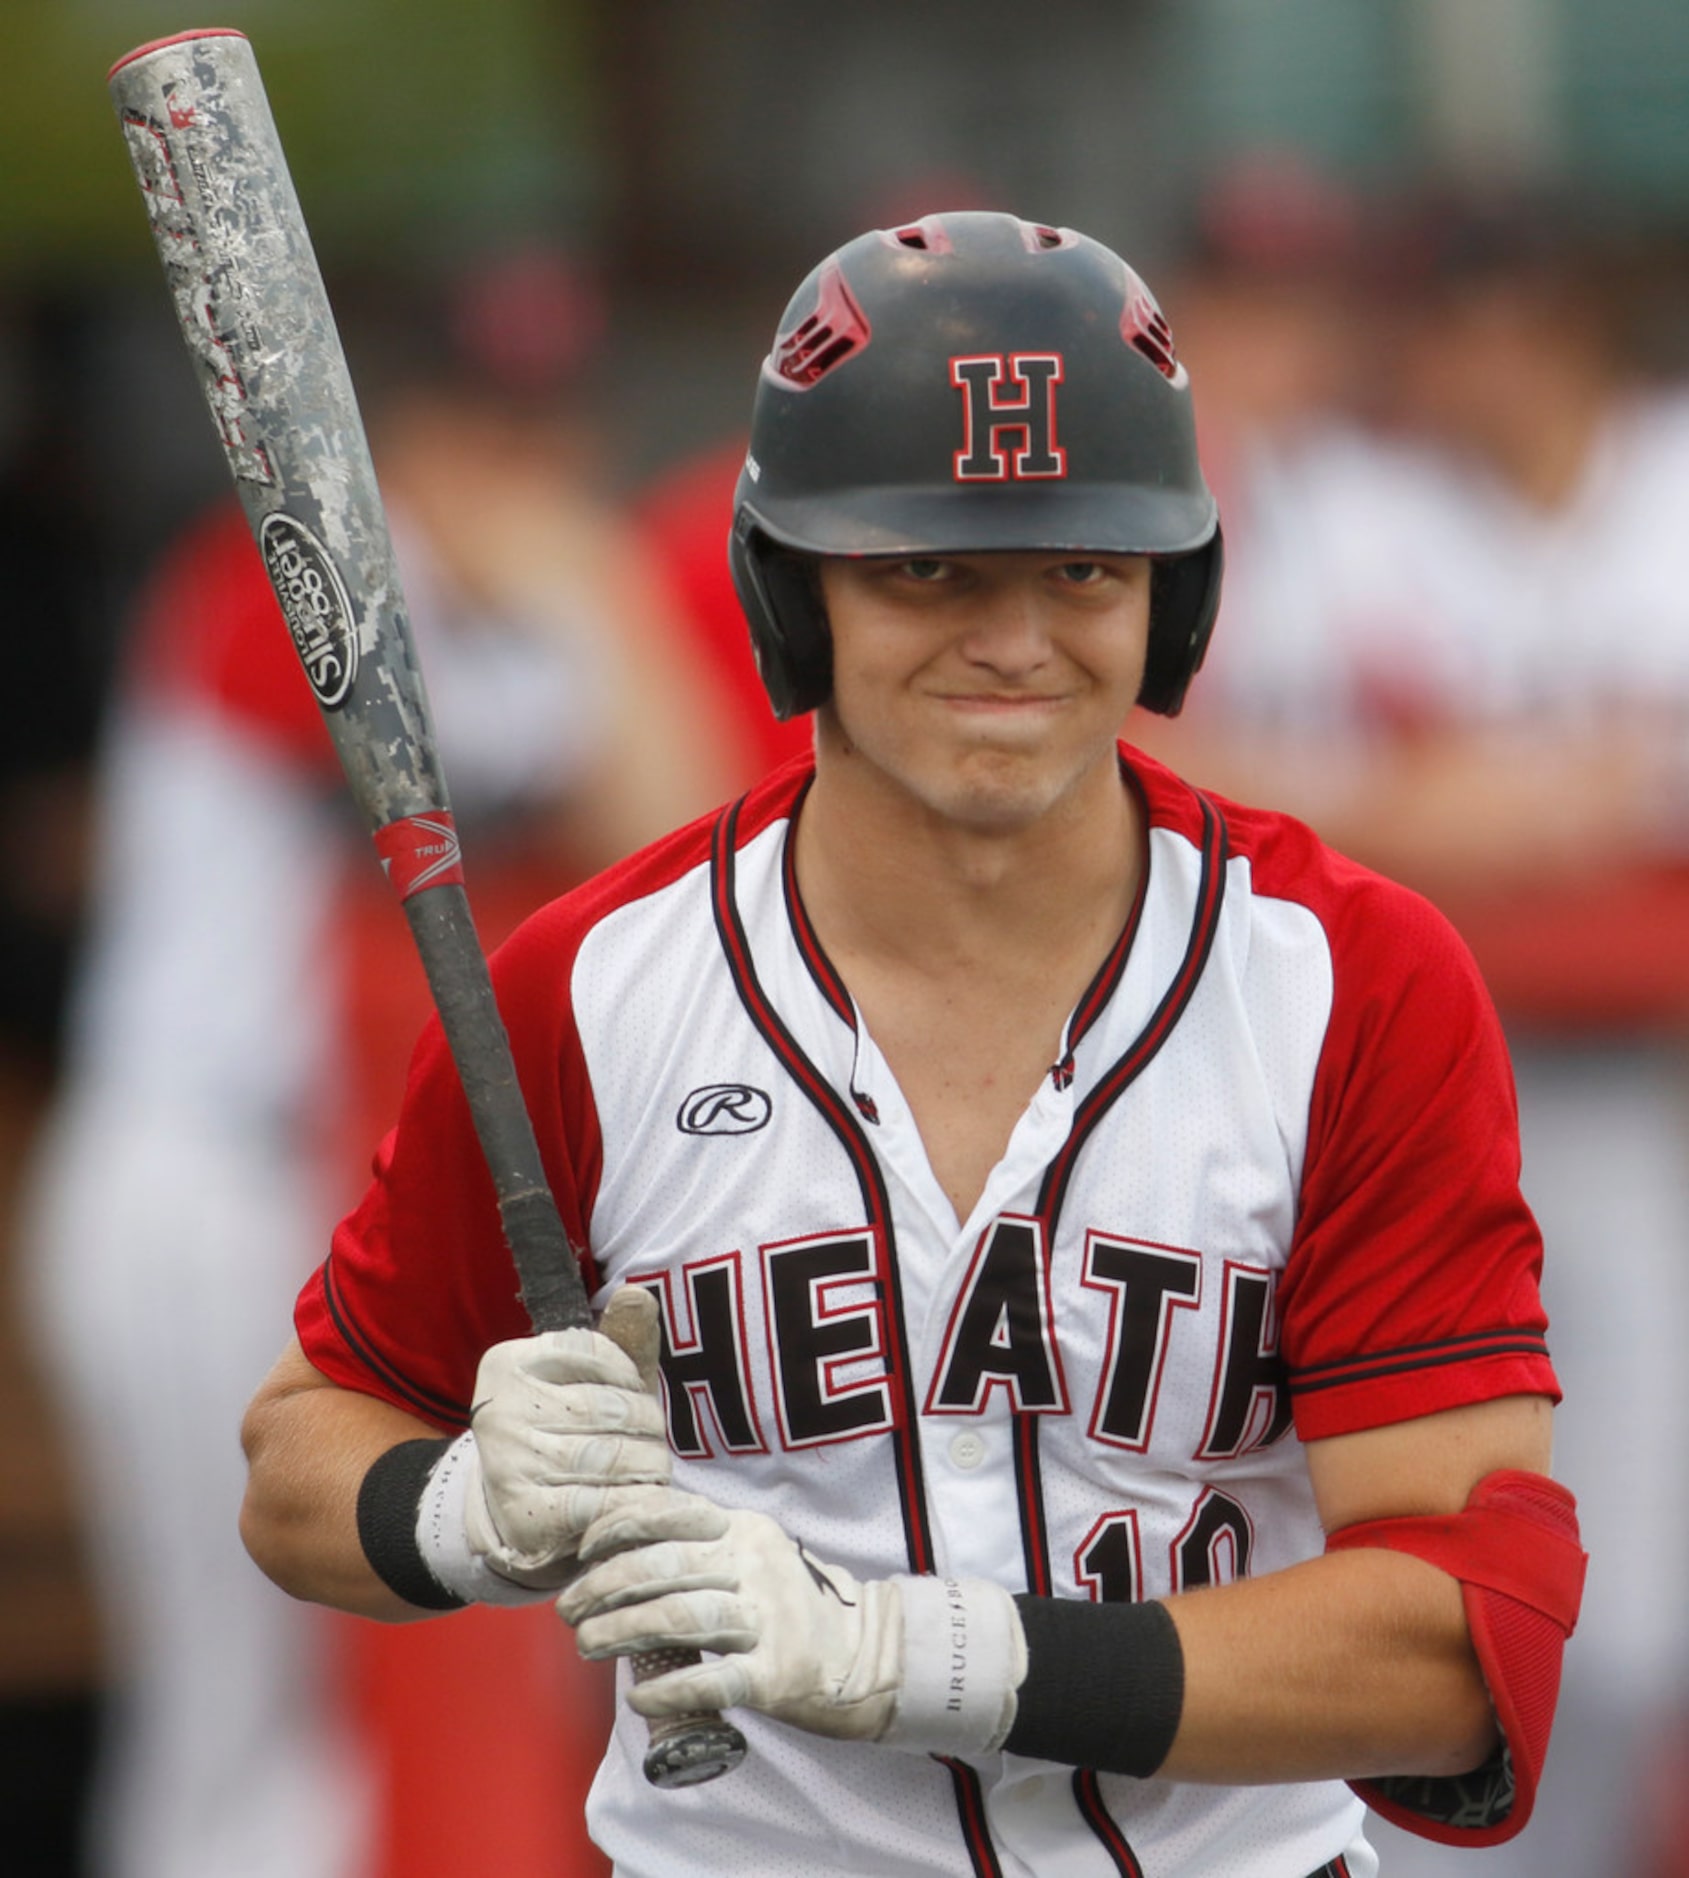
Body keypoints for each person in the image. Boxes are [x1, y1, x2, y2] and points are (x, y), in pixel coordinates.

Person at [239, 211, 1583, 1878]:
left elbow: (1457, 1645)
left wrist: (917, 1657)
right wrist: (463, 1510)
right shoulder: (588, 990)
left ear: (1175, 593)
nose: (1011, 638)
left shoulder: (1346, 981)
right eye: (925, 565)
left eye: (1081, 566)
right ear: (787, 588)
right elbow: (301, 1459)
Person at [21, 251, 742, 1878]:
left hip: (302, 1184)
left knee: (319, 1723)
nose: (523, 470)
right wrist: (586, 582)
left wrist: (571, 587)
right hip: (193, 1177)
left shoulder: (511, 612)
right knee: (240, 1721)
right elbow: (661, 802)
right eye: (483, 423)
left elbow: (669, 820)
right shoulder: (274, 575)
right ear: (387, 430)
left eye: (550, 423)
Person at [1140, 183, 1689, 1875]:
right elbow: (1209, 766)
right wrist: (1530, 801)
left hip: (1638, 1085)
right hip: (1405, 1080)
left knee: (1637, 1605)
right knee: (1392, 1553)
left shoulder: (1666, 483)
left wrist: (1455, 802)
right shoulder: (1349, 508)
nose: (1471, 362)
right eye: (1443, 326)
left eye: (1507, 324)